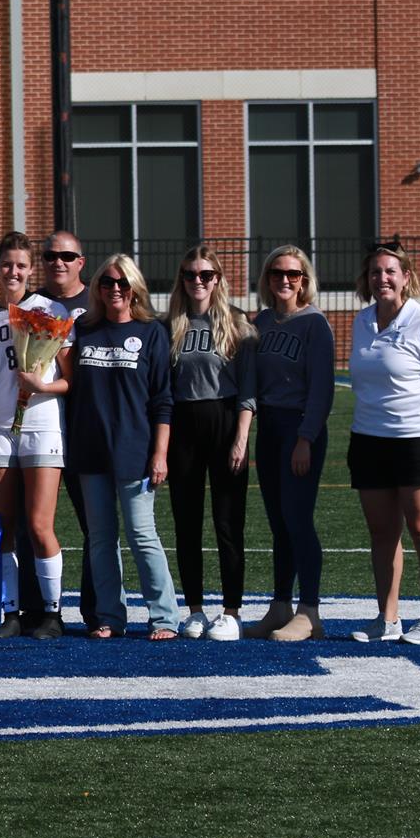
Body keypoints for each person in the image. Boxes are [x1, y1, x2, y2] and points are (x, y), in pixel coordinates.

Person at [348, 241, 420, 646]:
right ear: (366, 279)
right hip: (369, 440)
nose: (382, 278)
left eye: (390, 271)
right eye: (375, 272)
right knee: (382, 531)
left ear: (406, 278)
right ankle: (388, 619)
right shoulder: (361, 321)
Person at [68, 253, 179, 640]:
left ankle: (164, 617)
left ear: (134, 288)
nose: (115, 289)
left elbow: (163, 400)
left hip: (135, 451)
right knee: (100, 539)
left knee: (142, 535)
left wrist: (160, 454)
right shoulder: (83, 329)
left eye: (122, 283)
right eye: (107, 283)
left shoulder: (153, 333)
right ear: (97, 289)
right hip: (90, 450)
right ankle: (110, 617)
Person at [0, 232, 71, 640]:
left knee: (39, 523)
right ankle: (10, 612)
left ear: (31, 270)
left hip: (42, 425)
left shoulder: (50, 309)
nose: (13, 272)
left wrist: (40, 386)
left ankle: (52, 613)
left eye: (21, 265)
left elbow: (71, 379)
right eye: (6, 264)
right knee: (3, 524)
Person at [164, 245, 258, 642]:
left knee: (227, 522)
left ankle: (231, 611)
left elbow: (249, 389)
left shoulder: (237, 323)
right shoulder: (169, 324)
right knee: (187, 524)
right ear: (181, 279)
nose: (197, 281)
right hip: (183, 425)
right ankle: (196, 610)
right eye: (190, 274)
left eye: (205, 275)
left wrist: (240, 438)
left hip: (224, 423)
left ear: (218, 279)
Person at [248, 245, 336, 642]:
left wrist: (306, 438)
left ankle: (310, 611)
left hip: (299, 430)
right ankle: (280, 605)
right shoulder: (262, 321)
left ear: (305, 280)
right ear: (267, 278)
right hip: (268, 428)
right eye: (277, 273)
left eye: (294, 275)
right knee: (279, 523)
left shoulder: (315, 324)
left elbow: (322, 390)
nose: (285, 280)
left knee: (298, 519)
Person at [37, 230, 98, 630]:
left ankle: (99, 611)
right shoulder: (33, 306)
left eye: (67, 255)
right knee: (35, 522)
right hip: (40, 427)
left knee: (95, 525)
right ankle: (34, 609)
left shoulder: (100, 301)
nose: (58, 262)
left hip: (89, 427)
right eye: (51, 255)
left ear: (81, 261)